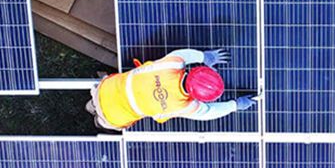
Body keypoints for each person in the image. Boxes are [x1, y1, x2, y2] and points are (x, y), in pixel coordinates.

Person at [86, 48, 258, 130]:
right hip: (114, 117)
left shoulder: (171, 65)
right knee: (102, 122)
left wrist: (205, 56)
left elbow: (182, 55)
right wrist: (236, 105)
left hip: (105, 88)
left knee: (99, 98)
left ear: (196, 70)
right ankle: (96, 115)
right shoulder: (183, 106)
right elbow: (208, 112)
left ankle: (93, 103)